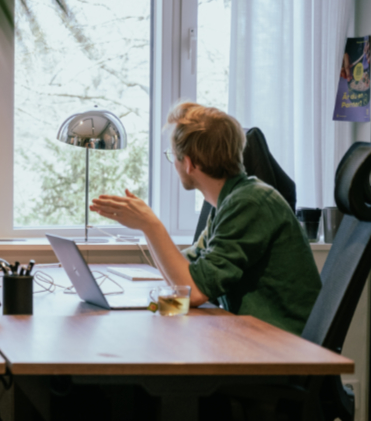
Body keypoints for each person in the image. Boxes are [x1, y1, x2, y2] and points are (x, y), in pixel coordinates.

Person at [90, 102, 321, 335]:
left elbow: (194, 292)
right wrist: (144, 227)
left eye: (174, 156)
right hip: (248, 336)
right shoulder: (229, 202)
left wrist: (151, 226)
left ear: (189, 163)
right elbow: (185, 275)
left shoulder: (250, 202)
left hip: (280, 349)